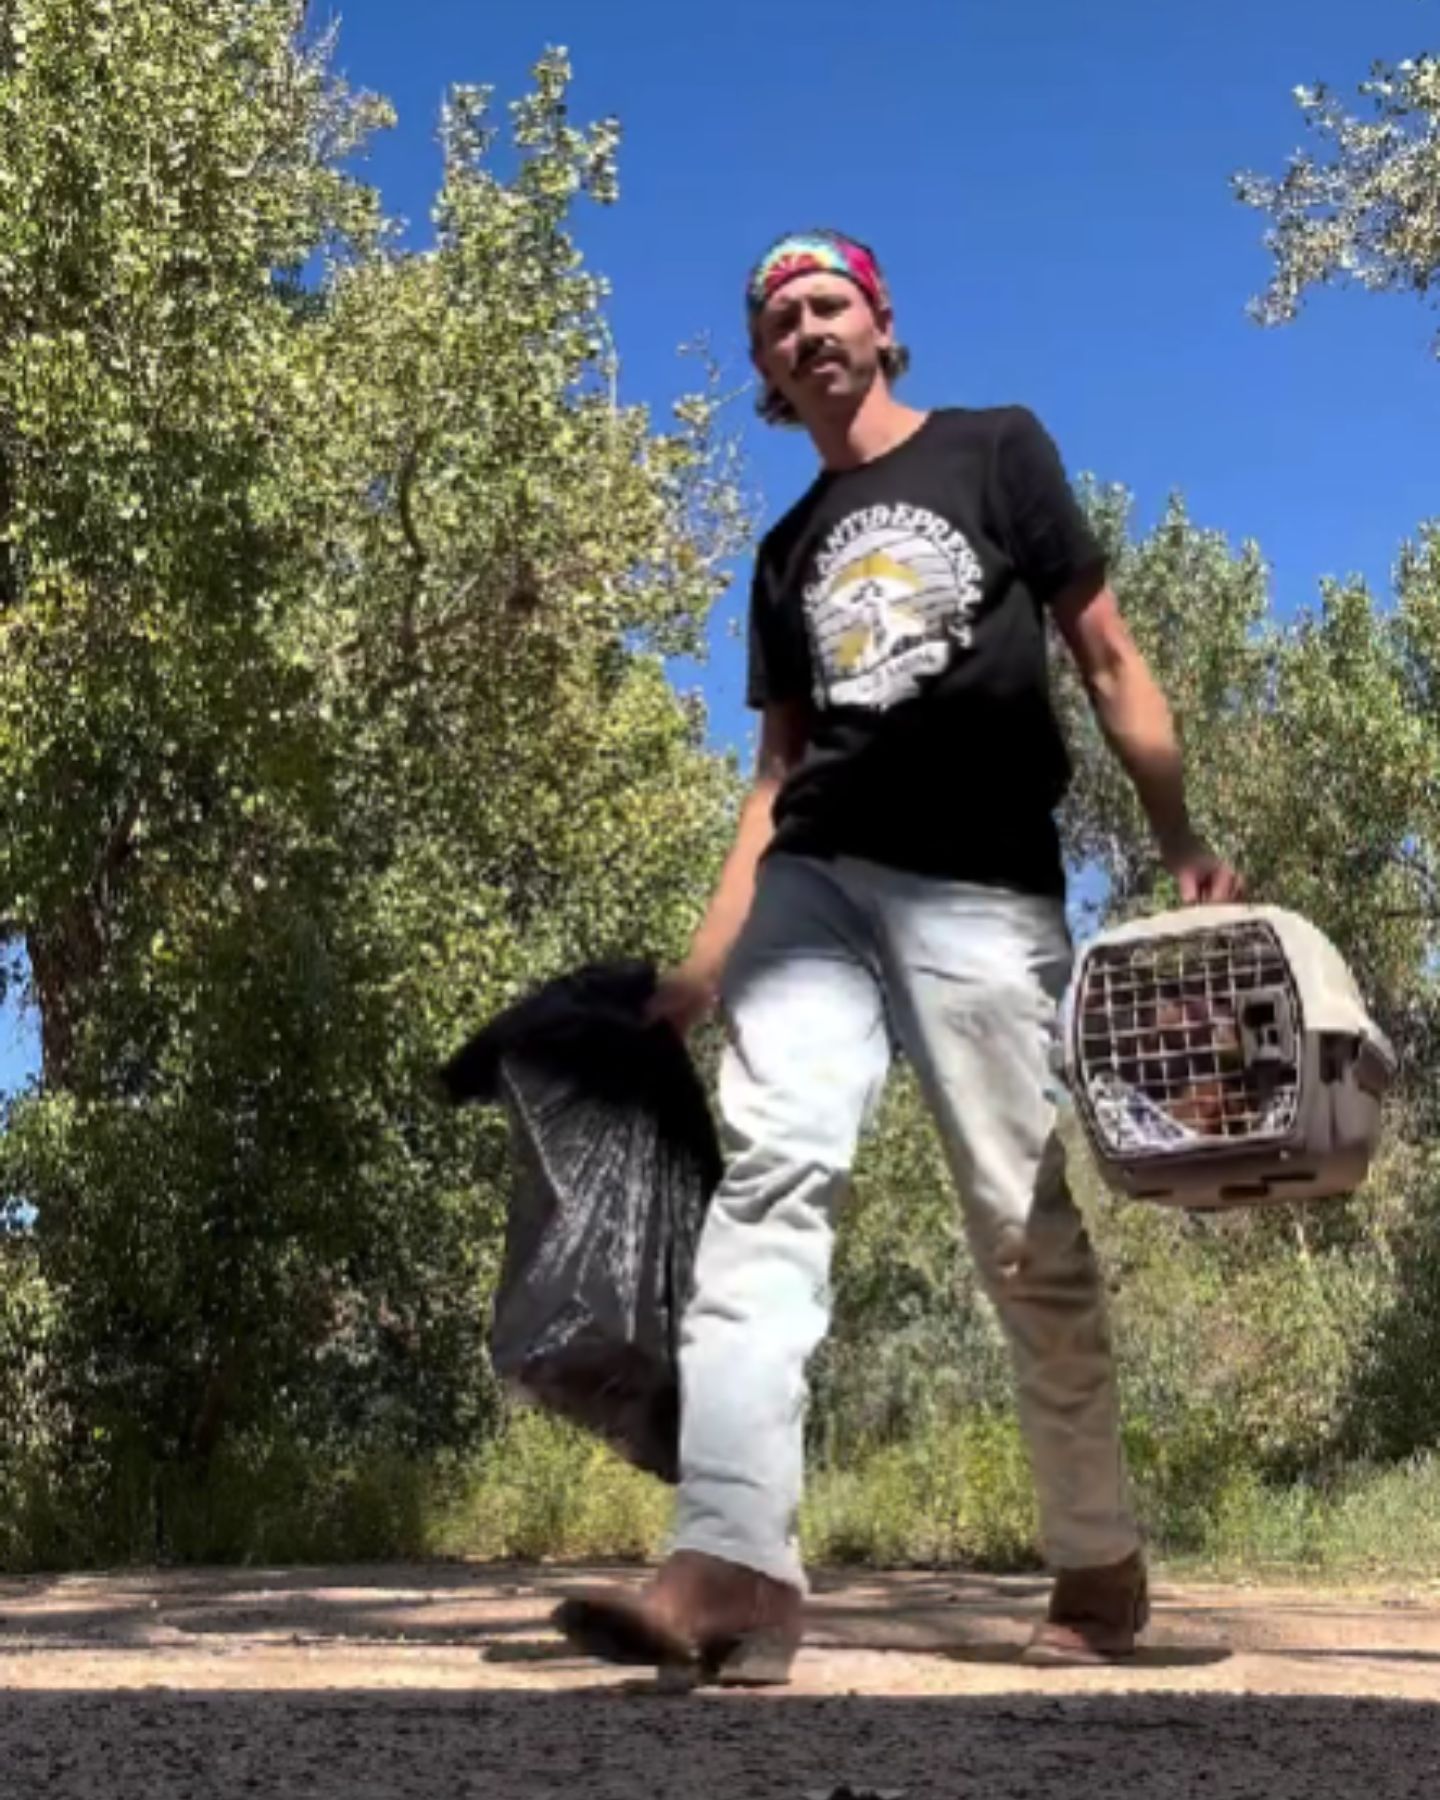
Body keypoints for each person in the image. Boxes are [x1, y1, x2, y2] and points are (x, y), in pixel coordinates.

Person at [554, 228, 1243, 1685]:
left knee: (1017, 1224)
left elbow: (1108, 655)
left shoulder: (998, 451)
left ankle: (1098, 1561)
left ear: (881, 324)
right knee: (767, 1187)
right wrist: (698, 969)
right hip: (813, 890)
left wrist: (1177, 836)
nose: (807, 330)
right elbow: (772, 775)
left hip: (979, 886)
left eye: (829, 305)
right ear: (763, 368)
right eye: (780, 321)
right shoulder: (786, 552)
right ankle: (733, 1562)